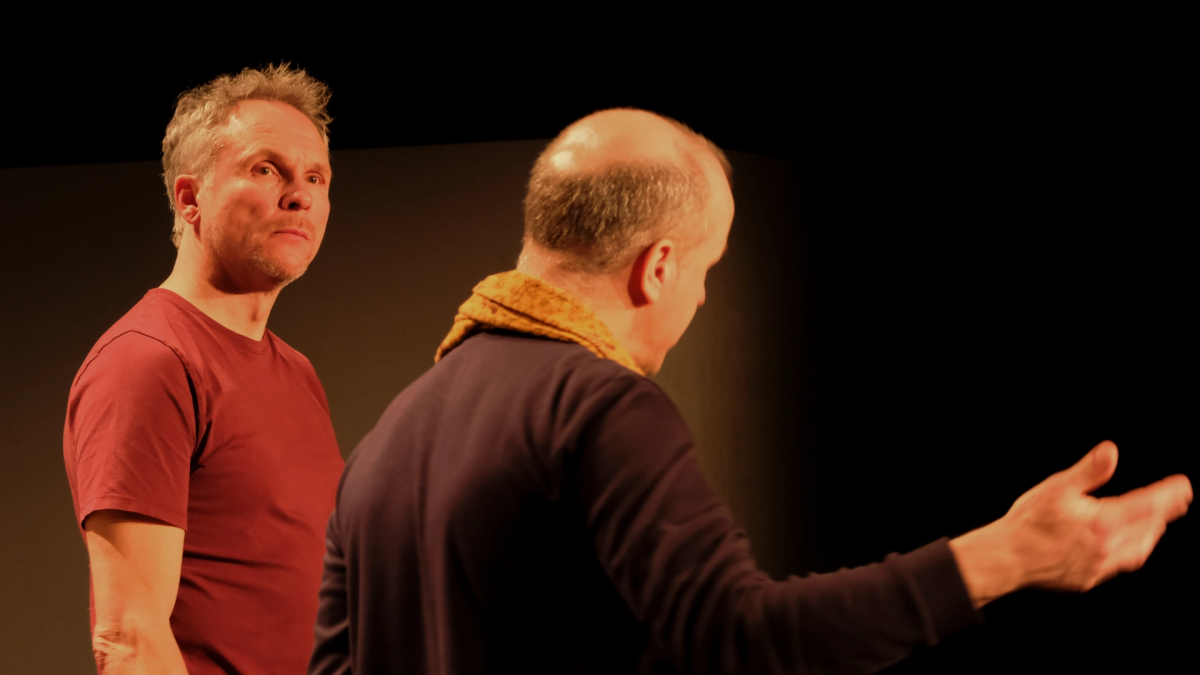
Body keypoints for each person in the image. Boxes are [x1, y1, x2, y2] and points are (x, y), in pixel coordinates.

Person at [309, 109, 1192, 674]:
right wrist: (1009, 554)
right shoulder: (600, 406)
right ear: (659, 267)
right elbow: (739, 636)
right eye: (707, 269)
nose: (700, 298)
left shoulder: (387, 438)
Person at [63, 64, 344, 674]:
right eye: (265, 169)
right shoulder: (148, 362)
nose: (299, 194)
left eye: (315, 176)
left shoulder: (297, 373)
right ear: (190, 199)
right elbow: (130, 640)